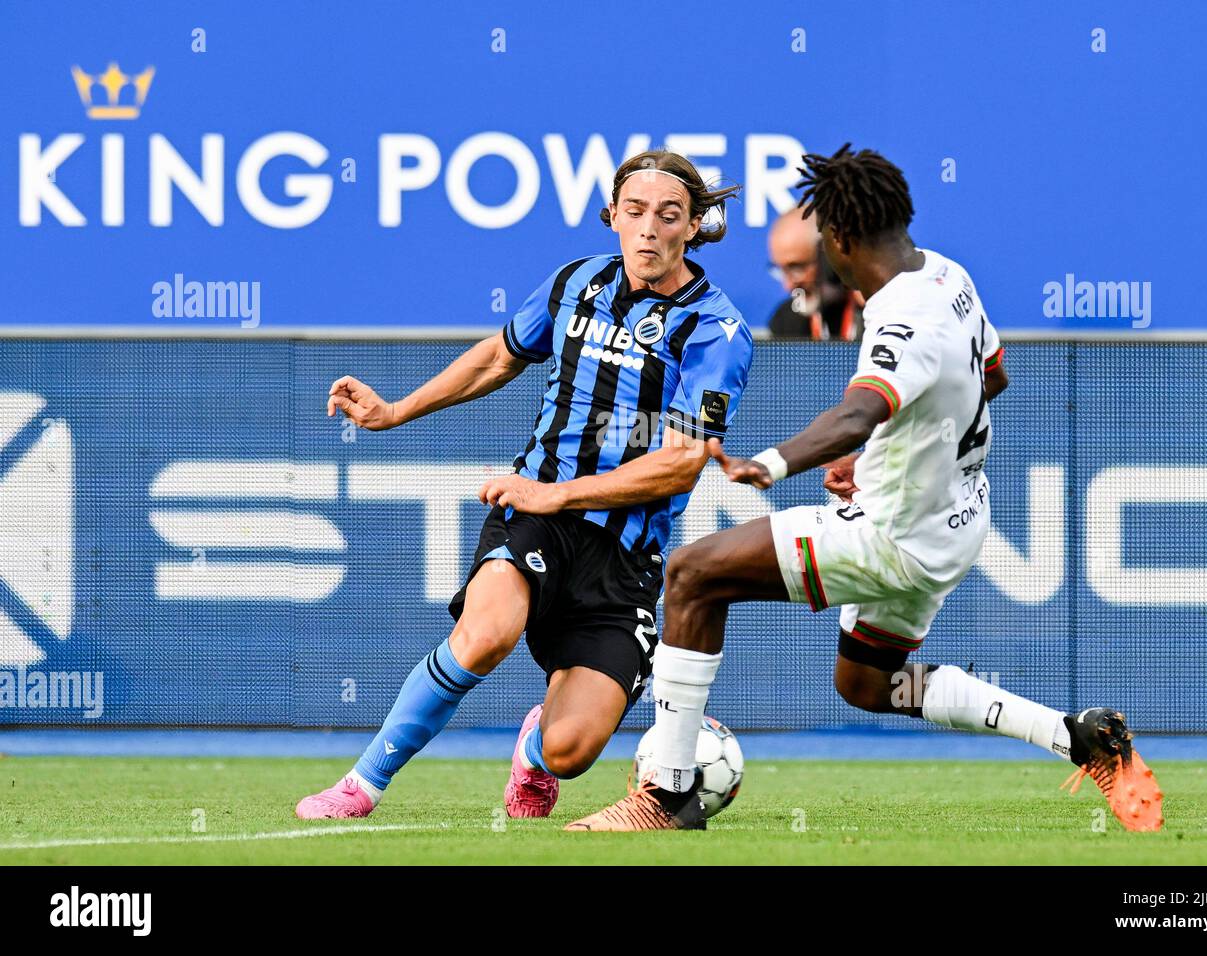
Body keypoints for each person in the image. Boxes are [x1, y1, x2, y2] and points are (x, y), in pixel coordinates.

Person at [565, 145, 1163, 833]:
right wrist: (892, 449)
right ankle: (1076, 738)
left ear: (841, 241)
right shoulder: (947, 275)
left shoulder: (903, 314)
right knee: (868, 685)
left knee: (696, 575)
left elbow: (858, 410)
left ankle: (665, 797)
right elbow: (991, 377)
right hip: (955, 518)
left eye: (824, 244)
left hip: (893, 533)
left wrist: (773, 464)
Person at [294, 150, 753, 820]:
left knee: (571, 749)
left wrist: (562, 494)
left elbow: (682, 462)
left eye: (668, 215)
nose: (650, 228)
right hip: (534, 517)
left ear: (692, 228)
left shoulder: (718, 328)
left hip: (623, 559)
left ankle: (534, 753)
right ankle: (362, 785)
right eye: (635, 212)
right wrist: (394, 411)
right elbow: (498, 355)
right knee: (485, 635)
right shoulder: (576, 284)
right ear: (613, 218)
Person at [766, 207, 862, 340]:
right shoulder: (786, 321)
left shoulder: (877, 314)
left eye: (796, 268)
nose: (787, 286)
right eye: (781, 270)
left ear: (832, 257)